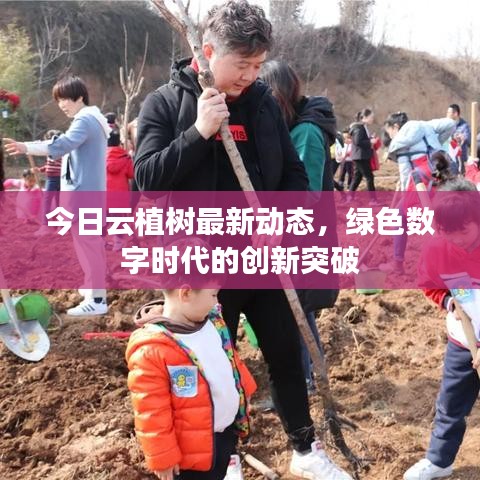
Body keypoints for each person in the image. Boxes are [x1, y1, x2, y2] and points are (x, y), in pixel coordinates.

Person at [134, 2, 352, 479]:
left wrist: (280, 218)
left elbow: (294, 175)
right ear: (208, 52)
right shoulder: (166, 104)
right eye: (242, 64)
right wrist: (199, 132)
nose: (251, 75)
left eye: (258, 65)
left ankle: (304, 448)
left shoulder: (263, 104)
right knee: (216, 365)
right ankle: (226, 456)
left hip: (264, 260)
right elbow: (146, 179)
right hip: (204, 271)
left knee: (285, 354)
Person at [260, 59, 339, 393]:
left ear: (277, 94)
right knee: (296, 312)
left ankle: (303, 382)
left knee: (295, 310)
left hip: (303, 238)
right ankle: (308, 378)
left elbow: (306, 194)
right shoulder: (295, 127)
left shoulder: (306, 132)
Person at [3, 76, 110, 316]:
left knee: (89, 245)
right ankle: (92, 288)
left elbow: (62, 145)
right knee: (87, 244)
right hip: (87, 193)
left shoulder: (85, 120)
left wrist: (26, 146)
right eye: (58, 100)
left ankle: (98, 298)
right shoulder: (92, 119)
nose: (61, 105)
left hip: (85, 195)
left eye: (65, 99)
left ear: (80, 97)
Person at [126, 285, 256, 480]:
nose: (216, 302)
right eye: (213, 295)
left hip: (223, 436)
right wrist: (162, 457)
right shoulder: (153, 349)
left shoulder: (213, 323)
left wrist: (244, 393)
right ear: (186, 293)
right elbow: (151, 411)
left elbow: (231, 360)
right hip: (190, 456)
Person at [404, 178, 480, 480]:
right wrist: (448, 301)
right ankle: (439, 460)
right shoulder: (437, 249)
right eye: (448, 232)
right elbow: (429, 284)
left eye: (464, 230)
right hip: (463, 341)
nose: (457, 239)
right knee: (450, 404)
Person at [380, 112, 457, 273]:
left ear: (396, 127)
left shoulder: (400, 142)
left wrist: (405, 194)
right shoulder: (424, 125)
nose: (391, 136)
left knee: (402, 215)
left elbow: (405, 174)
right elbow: (450, 124)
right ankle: (455, 257)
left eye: (390, 132)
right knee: (443, 217)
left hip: (421, 179)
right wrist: (436, 143)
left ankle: (398, 263)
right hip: (443, 172)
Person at [106, 126, 134, 251]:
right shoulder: (125, 157)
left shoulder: (100, 156)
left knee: (103, 218)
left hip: (104, 192)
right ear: (119, 141)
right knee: (118, 218)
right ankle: (118, 242)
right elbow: (131, 174)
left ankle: (100, 241)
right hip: (120, 194)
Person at [33, 129, 63, 237]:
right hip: (55, 177)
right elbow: (49, 164)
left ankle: (48, 226)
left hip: (55, 178)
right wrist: (40, 169)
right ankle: (57, 226)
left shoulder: (57, 150)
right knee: (58, 202)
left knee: (48, 201)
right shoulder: (54, 150)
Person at [347, 108, 378, 205]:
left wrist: (370, 139)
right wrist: (370, 141)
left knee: (357, 177)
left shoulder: (362, 127)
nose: (372, 119)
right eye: (371, 117)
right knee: (369, 177)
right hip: (361, 156)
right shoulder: (359, 128)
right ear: (364, 117)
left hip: (360, 155)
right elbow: (358, 141)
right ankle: (373, 200)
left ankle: (349, 197)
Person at [446, 104, 471, 173]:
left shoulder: (464, 126)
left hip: (461, 161)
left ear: (455, 114)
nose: (447, 115)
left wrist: (462, 138)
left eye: (448, 113)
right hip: (449, 159)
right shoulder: (446, 124)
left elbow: (469, 141)